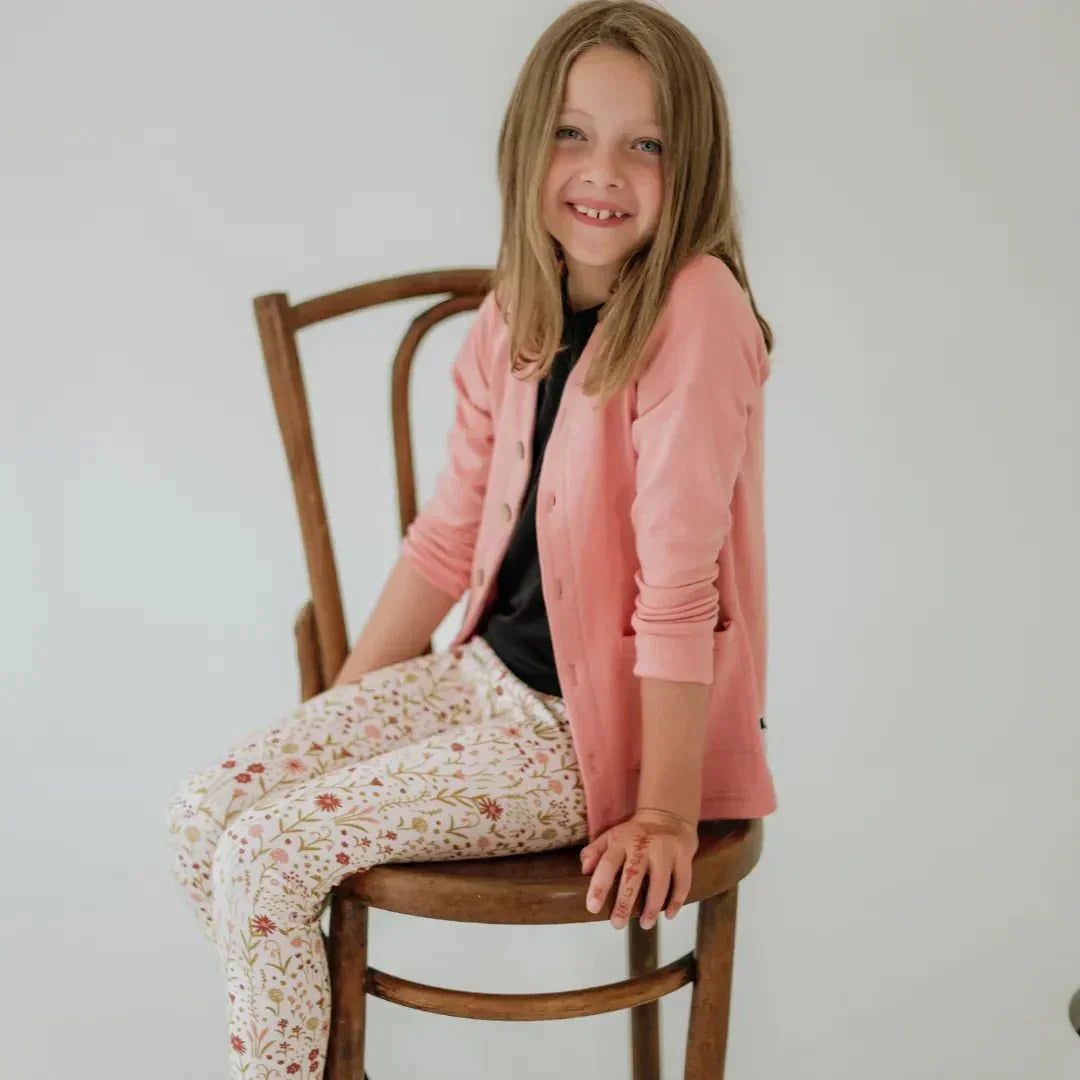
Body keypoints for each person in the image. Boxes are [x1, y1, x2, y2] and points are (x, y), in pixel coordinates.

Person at [165, 2, 777, 1076]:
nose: (603, 169)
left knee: (268, 851)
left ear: (694, 168)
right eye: (573, 132)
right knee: (205, 816)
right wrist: (348, 719)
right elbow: (448, 538)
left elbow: (683, 592)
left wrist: (668, 812)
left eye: (647, 144)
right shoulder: (517, 309)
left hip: (588, 737)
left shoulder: (698, 310)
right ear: (527, 144)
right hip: (479, 679)